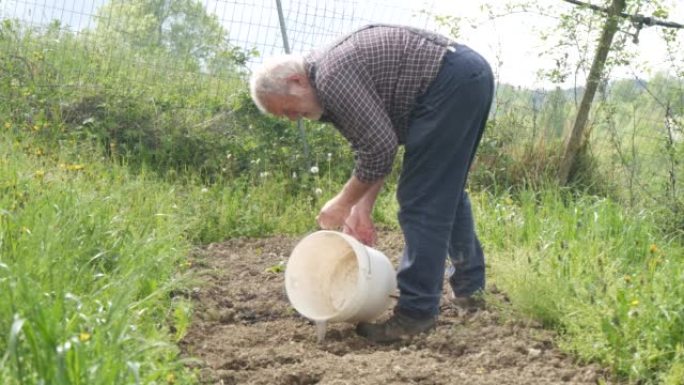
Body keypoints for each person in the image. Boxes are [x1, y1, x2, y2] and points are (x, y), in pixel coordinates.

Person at [249, 24, 494, 343]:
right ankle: (470, 292)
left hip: (448, 81)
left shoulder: (332, 79)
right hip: (464, 74)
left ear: (296, 81)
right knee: (443, 191)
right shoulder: (327, 81)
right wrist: (362, 207)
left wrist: (342, 203)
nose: (293, 119)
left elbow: (379, 148)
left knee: (420, 201)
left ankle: (416, 313)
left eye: (287, 109)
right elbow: (376, 145)